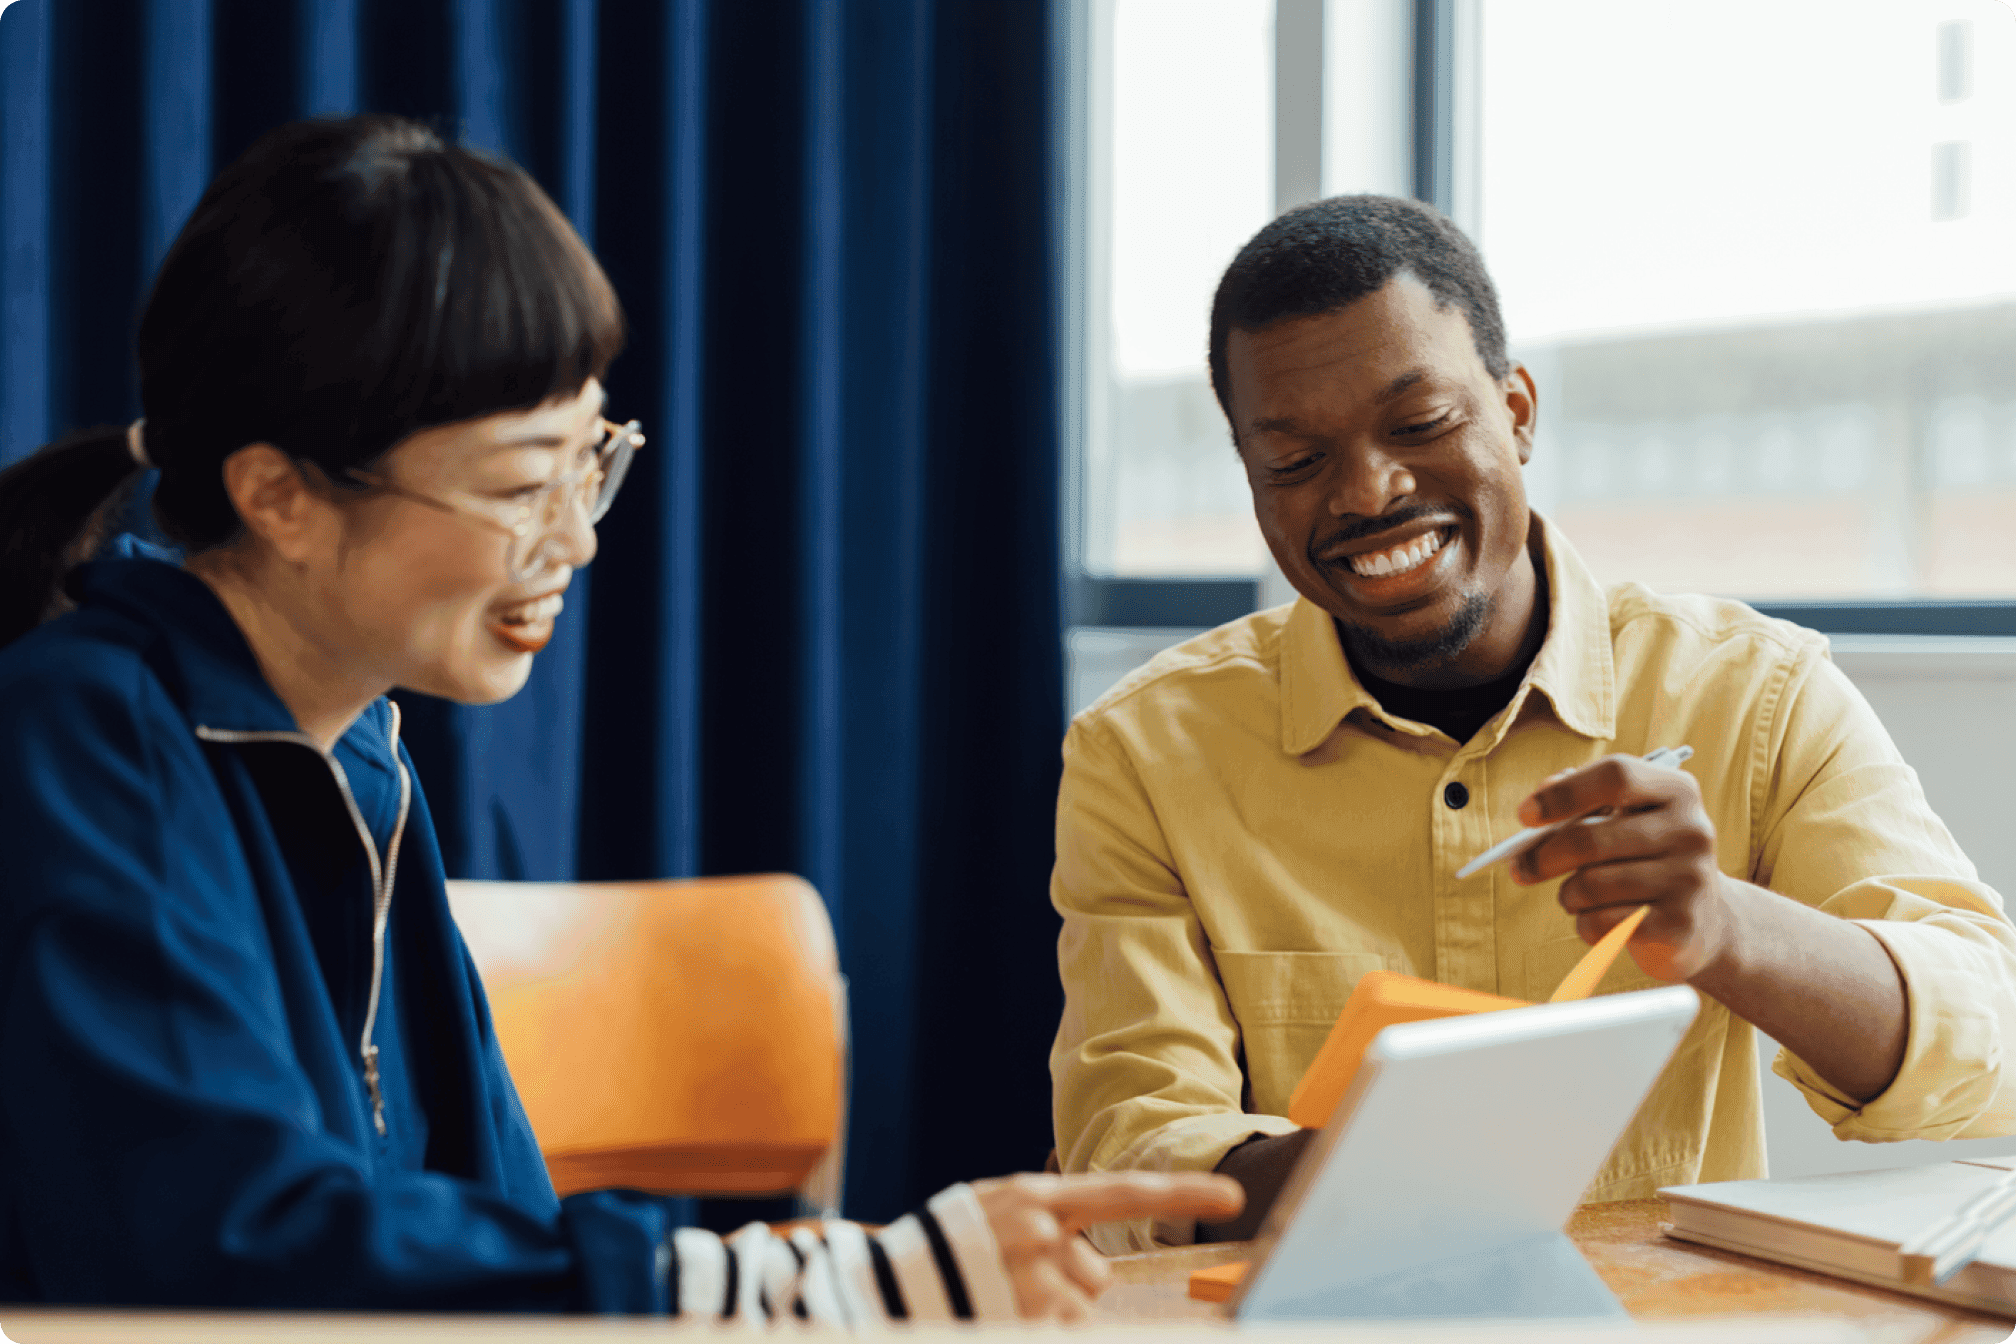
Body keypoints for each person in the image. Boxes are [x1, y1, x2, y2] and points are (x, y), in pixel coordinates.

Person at [0, 114, 1239, 1318]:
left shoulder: (359, 744)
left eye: (592, 461)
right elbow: (229, 1240)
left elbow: (491, 1195)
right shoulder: (84, 738)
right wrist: (800, 1290)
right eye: (525, 484)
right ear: (280, 496)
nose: (579, 538)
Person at [1049, 194, 2016, 1254]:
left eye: (1420, 425)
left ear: (1516, 412)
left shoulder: (1754, 692)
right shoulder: (1142, 753)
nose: (1368, 492)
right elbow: (1126, 1147)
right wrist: (1381, 1169)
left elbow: (1989, 1050)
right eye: (1294, 461)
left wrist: (1728, 927)